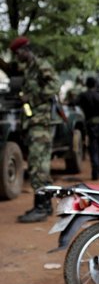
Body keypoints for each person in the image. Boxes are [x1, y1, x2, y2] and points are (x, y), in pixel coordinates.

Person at [11, 36, 61, 223]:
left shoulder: (40, 65)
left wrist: (32, 98)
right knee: (38, 166)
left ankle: (42, 207)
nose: (17, 57)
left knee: (38, 167)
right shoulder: (29, 69)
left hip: (41, 125)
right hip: (34, 124)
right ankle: (43, 205)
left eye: (18, 53)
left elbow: (55, 84)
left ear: (25, 50)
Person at [77, 76, 99, 180]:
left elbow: (76, 105)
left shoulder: (83, 96)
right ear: (95, 84)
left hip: (90, 125)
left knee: (93, 148)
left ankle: (95, 172)